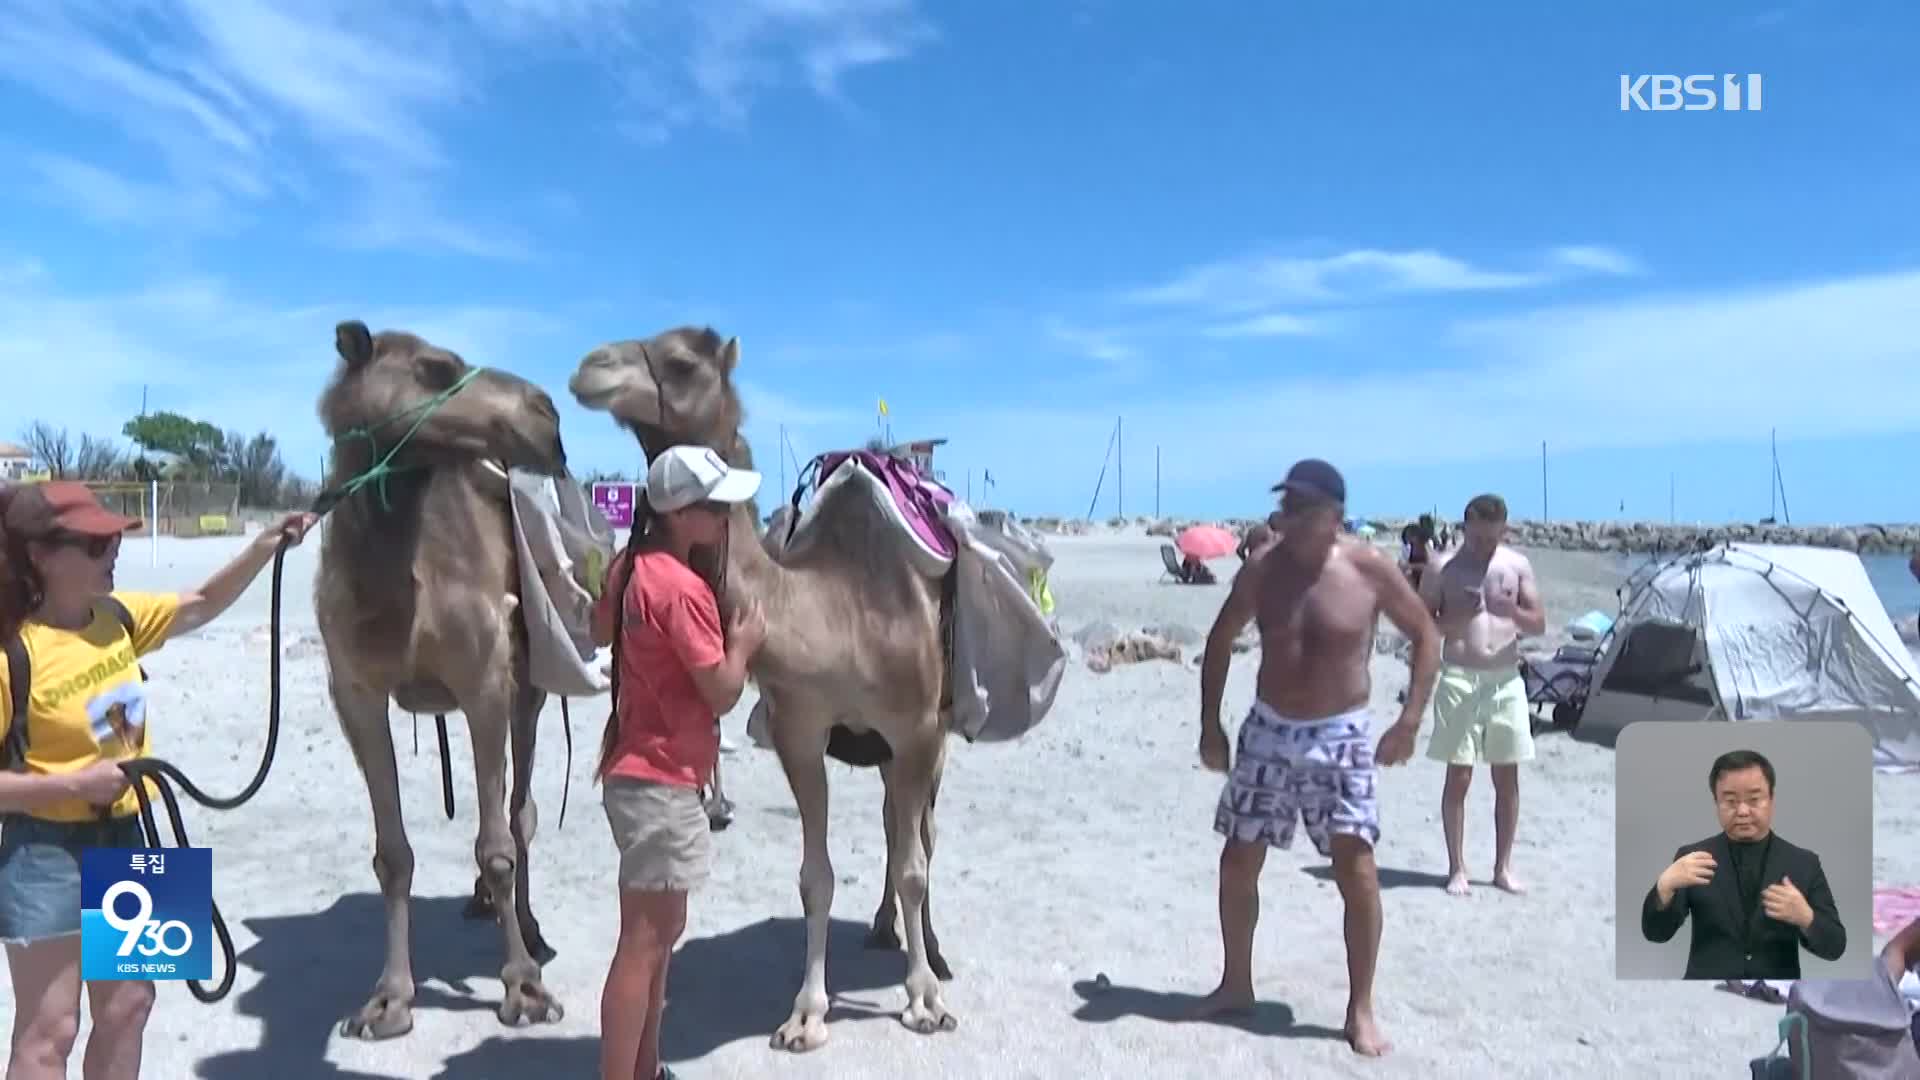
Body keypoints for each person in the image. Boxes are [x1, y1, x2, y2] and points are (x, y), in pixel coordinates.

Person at [0, 481, 313, 1080]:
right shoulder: (12, 651)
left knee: (131, 1005)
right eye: (94, 544)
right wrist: (69, 787)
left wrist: (264, 547)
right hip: (43, 852)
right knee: (49, 1033)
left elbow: (198, 602)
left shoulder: (116, 619)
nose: (112, 551)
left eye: (114, 539)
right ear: (40, 555)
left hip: (134, 837)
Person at [1195, 458, 1443, 1058]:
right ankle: (1235, 983)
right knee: (1237, 862)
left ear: (1332, 515)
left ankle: (1360, 1009)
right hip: (1269, 730)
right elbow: (1220, 640)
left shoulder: (1369, 568)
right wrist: (1210, 725)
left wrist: (1409, 720)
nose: (1288, 516)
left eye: (1303, 506)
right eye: (1286, 505)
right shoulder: (1262, 569)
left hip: (1341, 733)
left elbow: (1426, 636)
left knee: (1355, 870)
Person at [590, 445, 767, 1080]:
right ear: (683, 513)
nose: (726, 518)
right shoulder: (683, 589)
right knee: (642, 945)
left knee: (660, 934)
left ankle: (645, 1069)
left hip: (635, 771)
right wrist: (742, 646)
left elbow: (595, 629)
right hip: (661, 781)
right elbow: (719, 690)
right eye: (716, 506)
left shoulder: (631, 567)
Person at [1416, 493, 1544, 898]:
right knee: (1460, 775)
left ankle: (1503, 868)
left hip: (1505, 680)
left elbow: (1539, 623)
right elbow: (1422, 626)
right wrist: (1458, 617)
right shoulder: (1442, 567)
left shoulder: (1516, 565)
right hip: (1459, 677)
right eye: (1478, 539)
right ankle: (1457, 868)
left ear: (1503, 531)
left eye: (1492, 539)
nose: (1485, 546)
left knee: (1507, 776)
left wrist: (1512, 613)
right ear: (1465, 528)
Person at [1640, 748, 1846, 980]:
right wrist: (1664, 887)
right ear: (1716, 803)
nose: (1743, 811)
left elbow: (1835, 947)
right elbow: (1657, 934)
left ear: (1771, 800)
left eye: (1754, 799)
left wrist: (1806, 917)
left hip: (1773, 998)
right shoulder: (1692, 859)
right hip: (1708, 993)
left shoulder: (1804, 863)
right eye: (1730, 801)